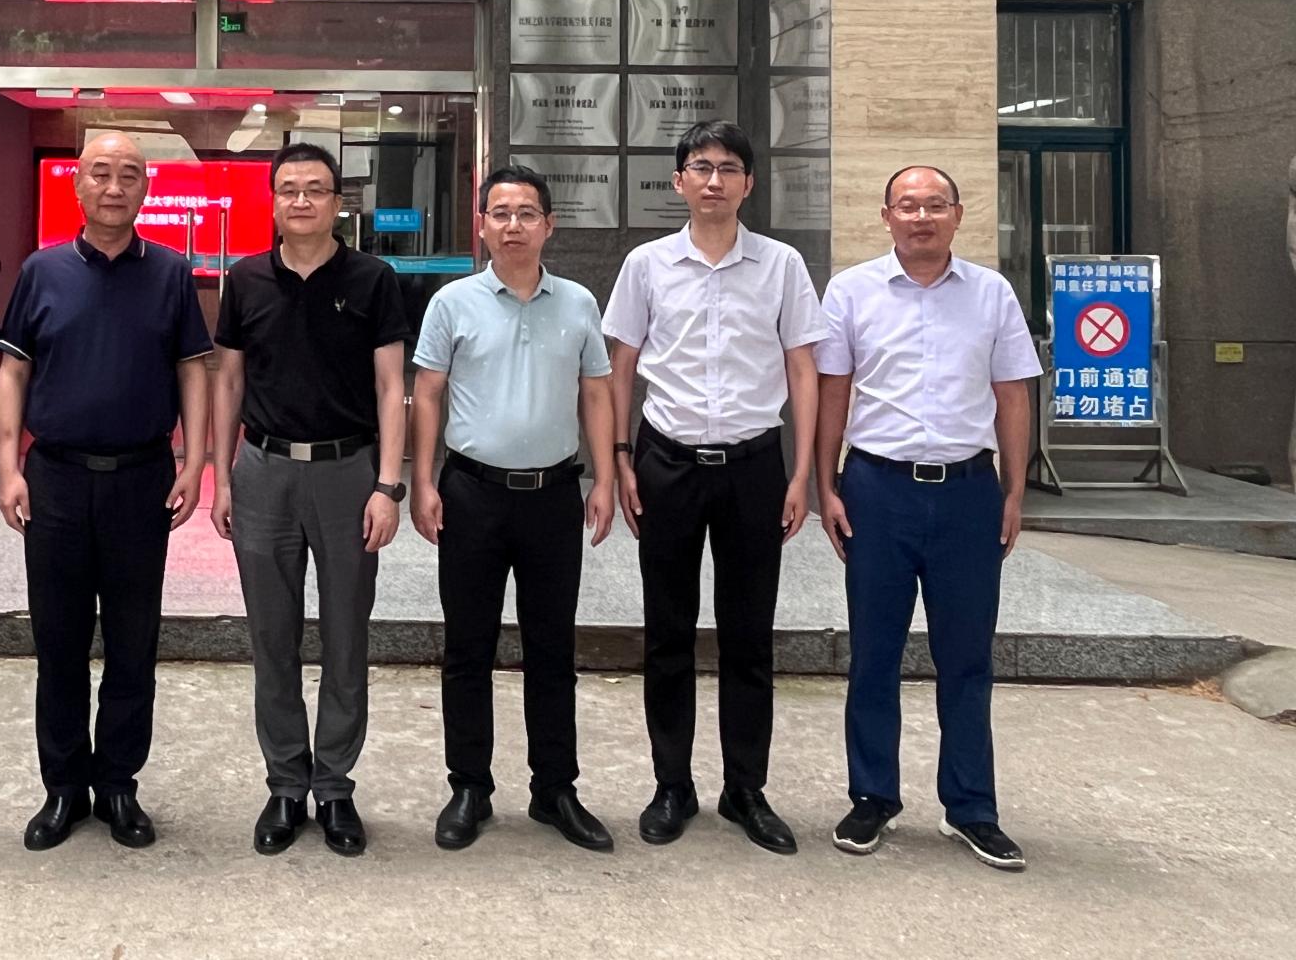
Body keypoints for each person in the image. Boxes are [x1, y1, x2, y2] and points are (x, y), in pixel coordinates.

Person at [600, 121, 825, 855]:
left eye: (729, 168)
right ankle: (672, 784)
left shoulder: (782, 265)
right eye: (701, 167)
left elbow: (802, 369)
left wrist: (801, 472)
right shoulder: (646, 265)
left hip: (755, 467)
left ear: (749, 183)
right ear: (679, 181)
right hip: (666, 463)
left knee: (748, 635)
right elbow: (621, 365)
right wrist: (621, 457)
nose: (714, 180)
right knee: (667, 631)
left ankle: (745, 789)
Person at [814, 165, 1041, 872]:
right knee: (874, 652)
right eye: (907, 206)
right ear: (885, 216)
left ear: (958, 215)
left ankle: (971, 807)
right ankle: (872, 796)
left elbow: (1012, 395)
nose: (921, 217)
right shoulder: (851, 291)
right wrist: (825, 485)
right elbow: (833, 393)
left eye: (935, 205)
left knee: (967, 657)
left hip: (968, 493)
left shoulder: (992, 293)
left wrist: (1014, 492)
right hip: (877, 491)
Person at [0, 130, 211, 852]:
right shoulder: (42, 271)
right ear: (77, 184)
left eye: (129, 175)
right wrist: (9, 466)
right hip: (55, 479)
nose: (114, 187)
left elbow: (192, 371)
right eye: (101, 174)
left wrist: (194, 463)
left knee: (131, 642)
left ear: (146, 187)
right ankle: (63, 786)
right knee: (57, 642)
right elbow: (14, 373)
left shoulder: (171, 273)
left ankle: (118, 782)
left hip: (141, 481)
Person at [410, 165, 617, 853]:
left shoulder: (578, 303)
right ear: (482, 225)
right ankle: (469, 786)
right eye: (500, 213)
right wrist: (424, 481)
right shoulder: (453, 303)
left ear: (549, 225)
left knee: (552, 648)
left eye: (527, 213)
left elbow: (596, 393)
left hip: (553, 496)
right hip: (471, 493)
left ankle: (555, 788)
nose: (513, 225)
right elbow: (428, 392)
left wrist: (604, 477)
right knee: (467, 648)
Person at [210, 142, 409, 858]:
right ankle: (286, 784)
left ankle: (335, 787)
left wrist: (388, 485)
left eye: (316, 189)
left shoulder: (373, 279)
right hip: (264, 470)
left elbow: (392, 386)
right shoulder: (245, 280)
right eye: (289, 189)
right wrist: (221, 474)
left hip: (348, 472)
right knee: (272, 636)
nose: (302, 200)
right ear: (272, 201)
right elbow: (229, 382)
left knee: (347, 634)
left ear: (337, 202)